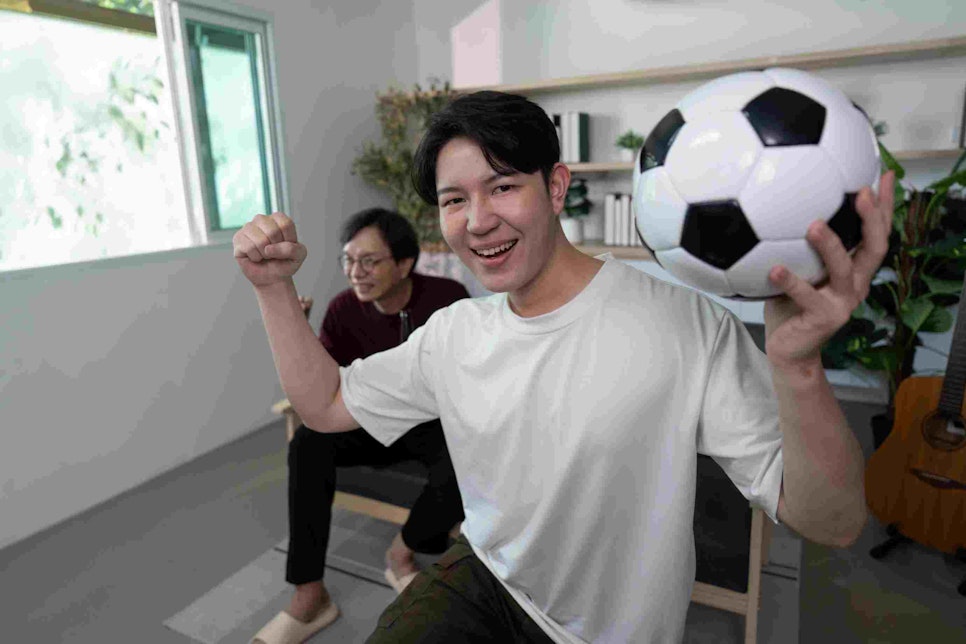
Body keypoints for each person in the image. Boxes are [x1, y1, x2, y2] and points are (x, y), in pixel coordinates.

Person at [233, 91, 895, 643]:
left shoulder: (684, 325)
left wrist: (799, 367)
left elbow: (831, 522)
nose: (478, 221)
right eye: (455, 200)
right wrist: (272, 289)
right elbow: (325, 406)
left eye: (502, 187)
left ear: (555, 187)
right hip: (485, 576)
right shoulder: (455, 333)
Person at [250, 208, 468, 644]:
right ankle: (309, 594)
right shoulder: (342, 309)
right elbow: (326, 391)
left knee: (466, 456)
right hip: (369, 422)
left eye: (369, 261)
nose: (356, 272)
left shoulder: (447, 300)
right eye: (349, 260)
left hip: (430, 424)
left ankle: (401, 554)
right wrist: (300, 331)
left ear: (404, 264)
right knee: (307, 443)